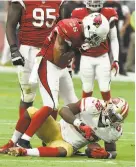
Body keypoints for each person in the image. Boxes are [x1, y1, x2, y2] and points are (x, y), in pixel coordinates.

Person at [10, 13, 113, 149]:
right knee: (50, 105)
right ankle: (23, 140)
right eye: (95, 37)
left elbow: (65, 59)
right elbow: (58, 57)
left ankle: (60, 139)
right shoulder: (69, 30)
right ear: (88, 28)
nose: (96, 41)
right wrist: (77, 50)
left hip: (61, 67)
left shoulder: (81, 31)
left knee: (74, 104)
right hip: (48, 63)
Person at [0, 0, 74, 153]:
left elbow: (65, 28)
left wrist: (65, 55)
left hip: (51, 52)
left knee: (53, 98)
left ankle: (50, 138)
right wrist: (14, 49)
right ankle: (19, 139)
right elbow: (10, 25)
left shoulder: (59, 2)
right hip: (28, 51)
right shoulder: (21, 1)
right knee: (27, 96)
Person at [8, 96, 129, 158]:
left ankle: (25, 151)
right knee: (32, 111)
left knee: (64, 151)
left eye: (116, 119)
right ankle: (13, 142)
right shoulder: (93, 105)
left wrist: (107, 155)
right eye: (113, 115)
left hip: (69, 145)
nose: (112, 119)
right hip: (55, 130)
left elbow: (112, 151)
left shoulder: (113, 131)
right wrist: (80, 124)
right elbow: (64, 110)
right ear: (108, 107)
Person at [71, 0, 119, 105]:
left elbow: (114, 38)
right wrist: (71, 57)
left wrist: (116, 59)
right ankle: (85, 117)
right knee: (87, 89)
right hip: (86, 57)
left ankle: (109, 118)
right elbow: (73, 37)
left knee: (105, 88)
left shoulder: (109, 12)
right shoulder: (77, 13)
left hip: (102, 57)